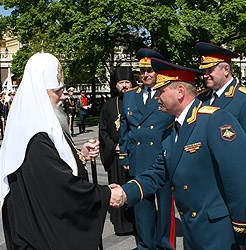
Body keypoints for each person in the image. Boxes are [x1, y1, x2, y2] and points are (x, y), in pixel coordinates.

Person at [0, 52, 124, 250]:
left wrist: (80, 155)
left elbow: (53, 162)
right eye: (57, 91)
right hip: (37, 235)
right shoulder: (33, 133)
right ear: (39, 92)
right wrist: (104, 195)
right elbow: (59, 186)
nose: (62, 97)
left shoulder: (41, 122)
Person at [111, 58, 246, 250]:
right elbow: (158, 172)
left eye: (161, 91)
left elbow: (238, 178)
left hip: (219, 232)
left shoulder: (215, 120)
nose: (156, 97)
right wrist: (125, 192)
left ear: (180, 92)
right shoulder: (170, 131)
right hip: (193, 232)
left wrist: (242, 230)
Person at [119, 48, 175, 250]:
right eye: (142, 71)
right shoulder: (130, 95)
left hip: (162, 154)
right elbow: (124, 126)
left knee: (165, 204)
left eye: (150, 70)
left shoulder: (167, 93)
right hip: (138, 156)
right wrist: (124, 155)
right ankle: (145, 244)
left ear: (157, 72)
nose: (146, 75)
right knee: (142, 204)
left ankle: (165, 244)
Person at [99, 66, 137, 236]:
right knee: (117, 187)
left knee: (134, 188)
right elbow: (103, 130)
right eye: (121, 82)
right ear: (116, 85)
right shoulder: (108, 106)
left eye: (127, 82)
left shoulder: (138, 103)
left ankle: (137, 223)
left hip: (134, 155)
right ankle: (121, 225)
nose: (124, 85)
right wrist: (113, 146)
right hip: (115, 156)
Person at [195, 42, 246, 131]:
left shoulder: (242, 98)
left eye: (210, 70)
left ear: (226, 69)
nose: (205, 75)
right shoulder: (201, 98)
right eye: (204, 71)